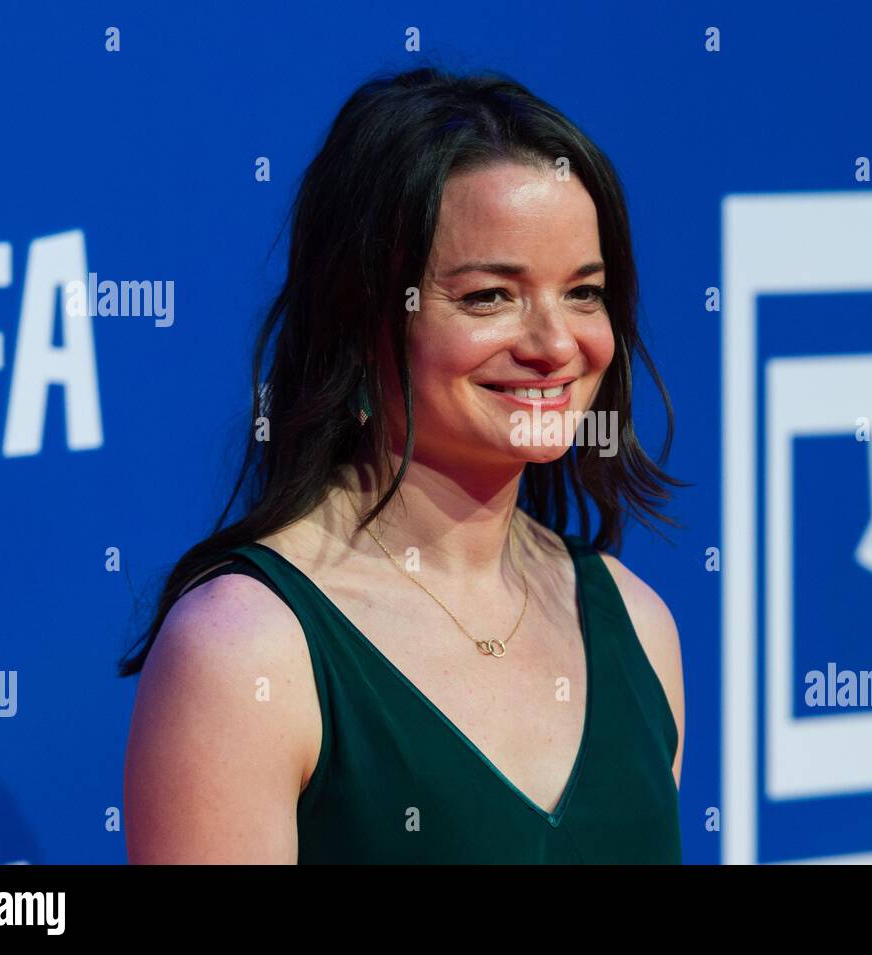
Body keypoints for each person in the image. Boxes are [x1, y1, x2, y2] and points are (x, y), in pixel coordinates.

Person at [118, 66, 686, 863]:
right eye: (491, 296)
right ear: (362, 317)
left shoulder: (638, 624)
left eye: (584, 293)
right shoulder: (248, 650)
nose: (557, 345)